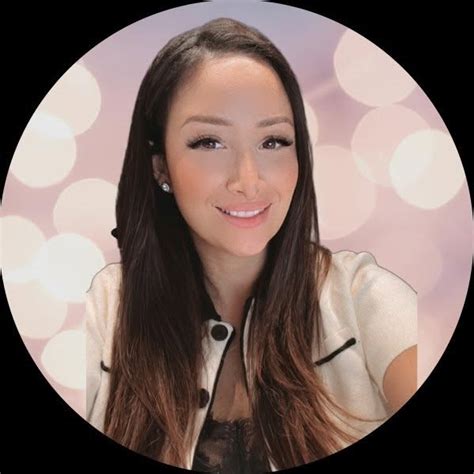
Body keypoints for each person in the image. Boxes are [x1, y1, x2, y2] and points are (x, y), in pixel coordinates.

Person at [86, 17, 417, 472]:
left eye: (273, 141)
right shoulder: (105, 311)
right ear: (161, 167)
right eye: (209, 142)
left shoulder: (363, 297)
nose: (247, 180)